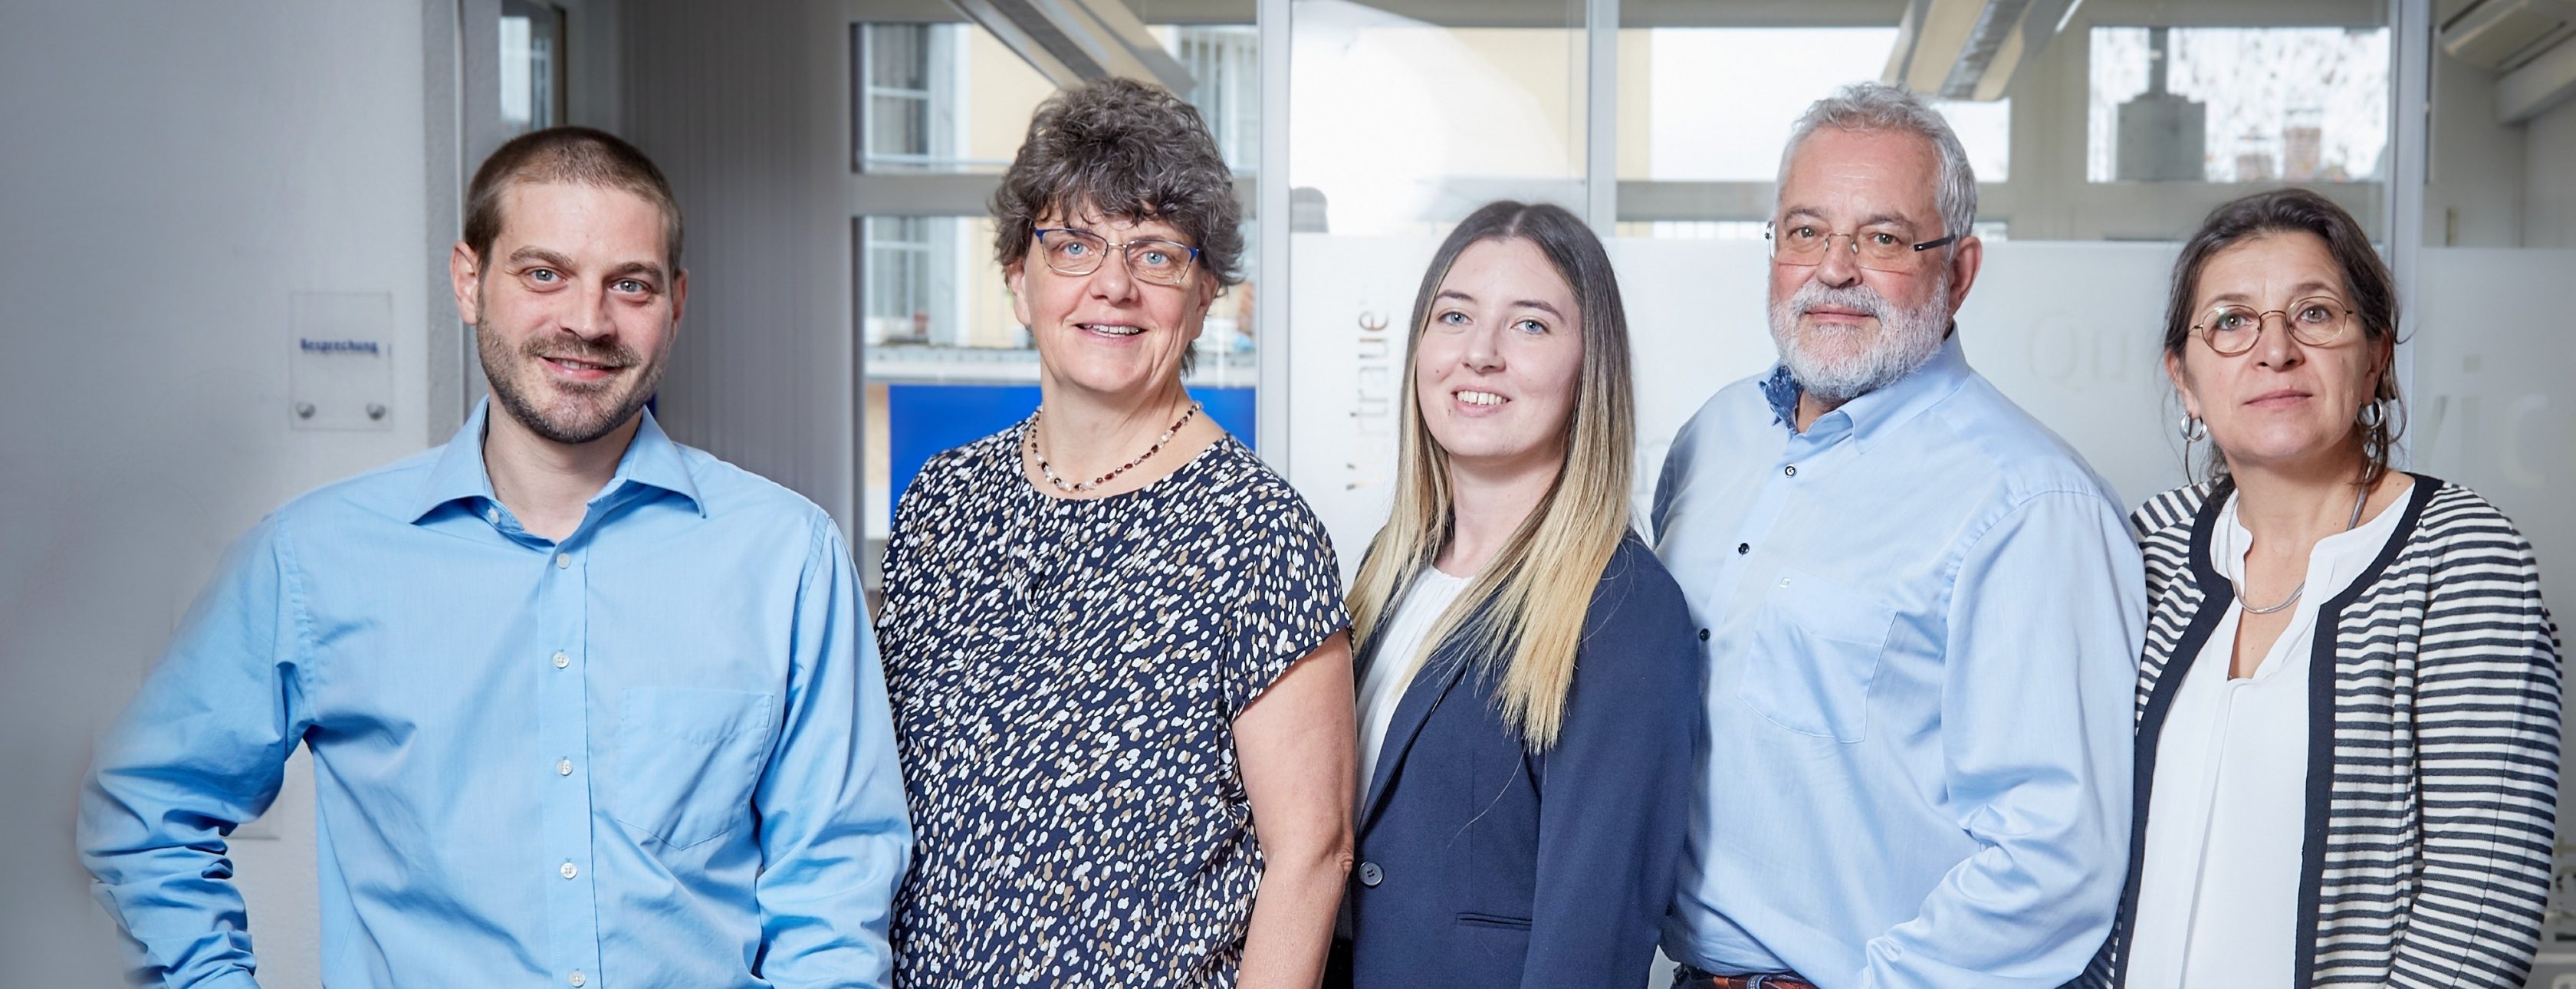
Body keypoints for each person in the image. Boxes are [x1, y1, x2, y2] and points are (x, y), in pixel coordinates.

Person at [77, 127, 912, 987]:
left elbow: (834, 881)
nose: (587, 322)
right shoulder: (313, 560)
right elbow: (144, 810)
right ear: (469, 280)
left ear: (677, 304)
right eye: (543, 273)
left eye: (630, 284)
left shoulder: (786, 557)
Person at [1651, 81, 2144, 988]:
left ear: (1958, 272)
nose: (1833, 269)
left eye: (1881, 238)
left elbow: (2054, 865)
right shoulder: (1712, 441)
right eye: (1805, 231)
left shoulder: (2032, 505)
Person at [876, 77, 1354, 988]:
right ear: (1018, 278)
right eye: (1074, 244)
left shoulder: (1257, 532)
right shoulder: (944, 501)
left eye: (1155, 253)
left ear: (1205, 294)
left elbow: (1315, 854)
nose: (1113, 285)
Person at [2077, 189, 2561, 987]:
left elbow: (2481, 910)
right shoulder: (2145, 545)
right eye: (2232, 321)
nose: (2275, 351)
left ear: (2374, 359)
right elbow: (2076, 840)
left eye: (2316, 314)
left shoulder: (2462, 555)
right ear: (2186, 383)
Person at [1330, 202, 1699, 987]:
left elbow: (1590, 948)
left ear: (1587, 368)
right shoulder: (1388, 573)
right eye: (1455, 316)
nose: (1480, 354)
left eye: (1530, 326)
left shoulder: (1624, 610)